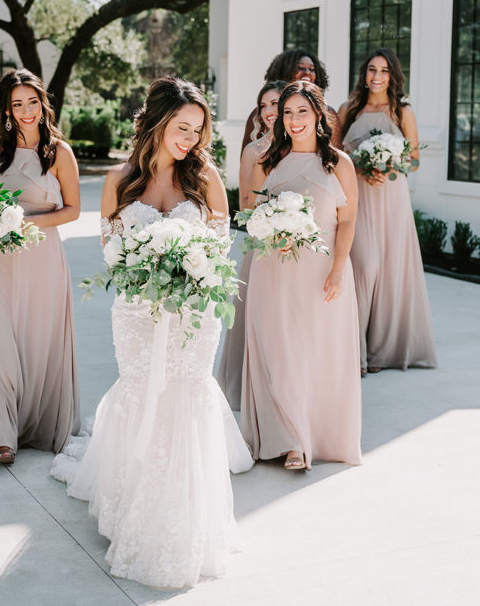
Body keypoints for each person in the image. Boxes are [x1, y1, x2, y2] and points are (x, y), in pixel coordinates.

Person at [51, 76, 253, 590]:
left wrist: (187, 268)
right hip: (138, 311)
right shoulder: (121, 180)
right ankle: (131, 502)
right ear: (158, 122)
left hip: (192, 315)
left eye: (198, 130)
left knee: (184, 395)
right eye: (182, 127)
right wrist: (147, 267)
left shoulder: (205, 178)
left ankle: (186, 515)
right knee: (143, 391)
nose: (190, 139)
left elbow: (219, 250)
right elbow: (110, 254)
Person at [241, 81, 362, 470]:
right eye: (288, 112)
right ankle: (292, 441)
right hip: (272, 269)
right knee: (281, 352)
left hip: (321, 272)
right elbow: (252, 213)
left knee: (315, 353)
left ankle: (314, 433)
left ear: (318, 115)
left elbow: (348, 221)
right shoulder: (267, 160)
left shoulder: (339, 163)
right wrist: (270, 228)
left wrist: (338, 270)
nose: (293, 120)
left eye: (302, 112)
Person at [0, 68, 80, 465]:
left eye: (32, 102)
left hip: (41, 256)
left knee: (36, 342)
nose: (26, 110)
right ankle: (1, 436)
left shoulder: (59, 152)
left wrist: (26, 222)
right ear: (8, 109)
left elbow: (73, 210)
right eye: (17, 104)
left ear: (42, 103)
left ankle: (35, 423)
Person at [339, 48, 436, 374]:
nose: (376, 76)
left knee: (389, 272)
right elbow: (335, 156)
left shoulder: (402, 110)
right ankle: (355, 353)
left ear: (393, 75)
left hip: (391, 199)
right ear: (364, 74)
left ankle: (380, 353)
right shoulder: (348, 109)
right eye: (371, 69)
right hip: (360, 198)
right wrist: (362, 167)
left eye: (383, 71)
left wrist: (387, 164)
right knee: (364, 267)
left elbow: (415, 159)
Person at [217, 80, 285, 410]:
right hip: (263, 244)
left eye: (276, 104)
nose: (270, 111)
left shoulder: (307, 147)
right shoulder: (252, 151)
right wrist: (276, 224)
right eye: (264, 106)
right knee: (262, 321)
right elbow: (245, 206)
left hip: (301, 247)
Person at [240, 48, 342, 153]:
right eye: (300, 68)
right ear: (284, 71)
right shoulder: (263, 112)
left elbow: (335, 155)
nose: (307, 72)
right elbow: (247, 156)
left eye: (312, 69)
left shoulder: (327, 112)